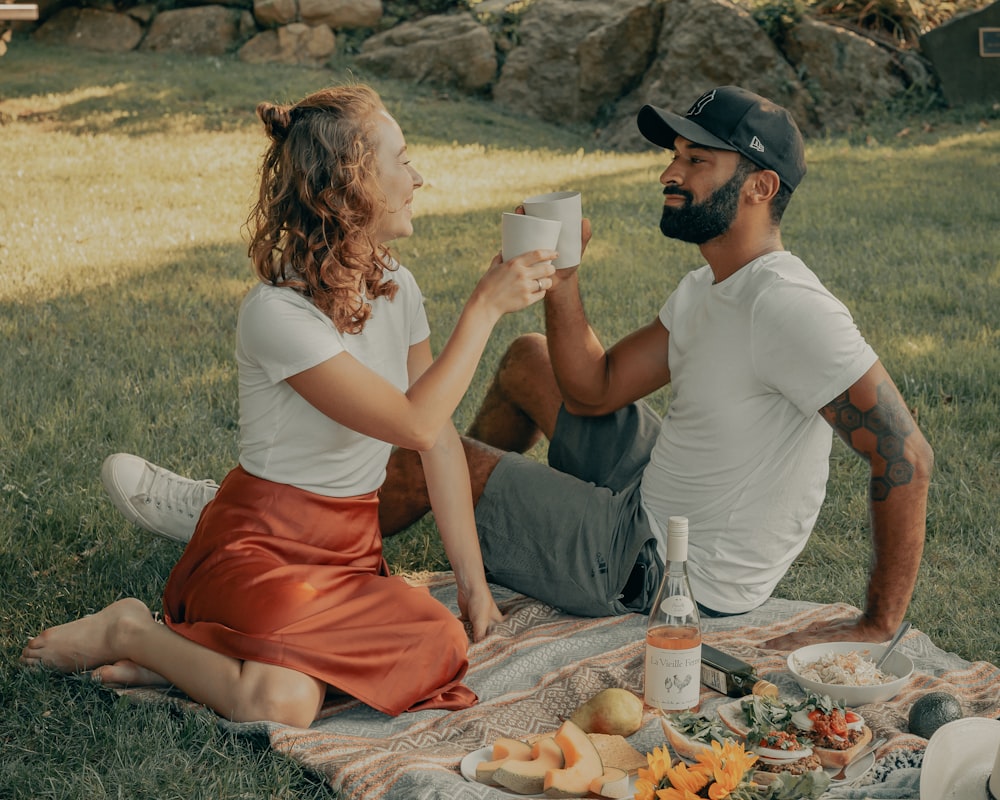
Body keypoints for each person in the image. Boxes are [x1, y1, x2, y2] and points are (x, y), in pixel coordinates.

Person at [98, 86, 933, 652]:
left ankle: (260, 522)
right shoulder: (714, 288)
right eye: (674, 156)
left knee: (426, 448)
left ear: (758, 187)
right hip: (663, 489)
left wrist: (875, 623)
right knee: (529, 360)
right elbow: (592, 386)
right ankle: (429, 487)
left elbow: (905, 455)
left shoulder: (788, 306)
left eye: (696, 163)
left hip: (660, 563)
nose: (670, 175)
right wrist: (562, 279)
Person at [20, 84, 559, 725]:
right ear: (346, 189)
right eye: (403, 160)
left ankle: (192, 662)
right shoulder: (276, 314)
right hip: (262, 548)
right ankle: (131, 633)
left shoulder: (397, 287)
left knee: (442, 640)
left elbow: (436, 440)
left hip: (352, 554)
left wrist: (475, 593)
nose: (419, 177)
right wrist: (486, 307)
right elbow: (413, 421)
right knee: (283, 703)